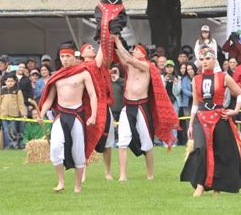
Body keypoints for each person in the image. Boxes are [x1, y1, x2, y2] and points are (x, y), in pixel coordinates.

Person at [180, 46, 241, 197]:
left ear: (214, 60)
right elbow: (195, 104)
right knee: (200, 149)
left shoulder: (223, 76)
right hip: (201, 117)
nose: (204, 62)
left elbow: (240, 94)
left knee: (220, 151)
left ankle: (218, 187)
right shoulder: (196, 80)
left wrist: (235, 111)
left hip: (219, 116)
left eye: (208, 58)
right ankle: (200, 185)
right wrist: (191, 124)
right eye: (202, 59)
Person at [38, 43, 103, 193]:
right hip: (61, 115)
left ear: (74, 57)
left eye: (68, 56)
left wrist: (93, 115)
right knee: (55, 148)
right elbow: (49, 99)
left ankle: (78, 186)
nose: (65, 59)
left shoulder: (84, 73)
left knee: (78, 151)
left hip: (78, 115)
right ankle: (61, 182)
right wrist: (41, 113)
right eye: (62, 56)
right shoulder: (56, 76)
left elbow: (93, 95)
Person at [113, 35, 178, 181]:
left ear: (143, 53)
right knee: (122, 141)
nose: (133, 51)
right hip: (127, 106)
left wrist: (118, 42)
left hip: (141, 106)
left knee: (147, 143)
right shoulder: (130, 65)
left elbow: (128, 58)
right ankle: (123, 175)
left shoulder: (147, 66)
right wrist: (112, 41)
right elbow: (120, 56)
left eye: (136, 50)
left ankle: (150, 175)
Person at [80, 43, 116, 180]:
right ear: (82, 54)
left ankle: (108, 172)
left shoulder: (100, 66)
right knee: (85, 140)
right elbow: (100, 56)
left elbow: (104, 58)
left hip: (104, 106)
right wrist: (104, 33)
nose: (92, 49)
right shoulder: (85, 67)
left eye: (93, 47)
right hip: (88, 108)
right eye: (89, 48)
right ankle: (82, 173)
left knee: (108, 141)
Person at [0, 74, 27, 149]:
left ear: (15, 82)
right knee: (6, 131)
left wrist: (24, 114)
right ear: (5, 82)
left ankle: (15, 145)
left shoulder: (17, 91)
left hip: (14, 115)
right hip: (4, 115)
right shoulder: (2, 91)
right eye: (8, 81)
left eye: (12, 81)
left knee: (13, 131)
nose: (10, 82)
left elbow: (21, 103)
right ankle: (8, 145)